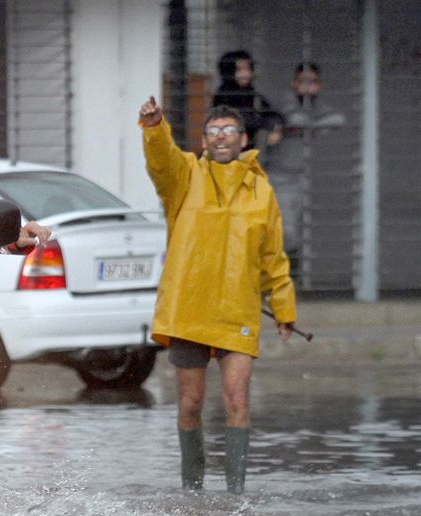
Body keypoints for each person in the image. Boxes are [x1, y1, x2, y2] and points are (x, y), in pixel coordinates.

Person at [139, 96, 297, 493]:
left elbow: (272, 256)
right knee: (190, 404)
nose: (221, 136)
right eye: (213, 131)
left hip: (236, 311)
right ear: (205, 140)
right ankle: (192, 490)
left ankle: (235, 494)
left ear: (244, 139)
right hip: (188, 309)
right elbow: (161, 161)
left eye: (229, 130)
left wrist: (283, 308)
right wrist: (155, 127)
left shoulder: (262, 192)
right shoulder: (185, 177)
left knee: (236, 400)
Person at [268, 61, 347, 261]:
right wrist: (312, 127)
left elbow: (339, 120)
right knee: (287, 232)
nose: (307, 86)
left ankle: (294, 281)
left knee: (301, 232)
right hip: (280, 177)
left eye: (312, 81)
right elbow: (295, 120)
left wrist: (307, 128)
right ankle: (286, 279)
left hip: (304, 178)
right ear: (294, 83)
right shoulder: (285, 101)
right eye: (303, 81)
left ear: (318, 85)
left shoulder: (318, 107)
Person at [211, 49, 284, 156]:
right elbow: (240, 119)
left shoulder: (252, 95)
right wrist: (266, 124)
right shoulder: (223, 96)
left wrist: (274, 127)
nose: (246, 73)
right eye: (239, 69)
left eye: (248, 68)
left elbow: (274, 114)